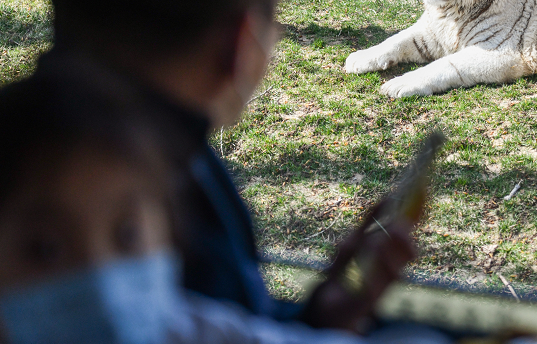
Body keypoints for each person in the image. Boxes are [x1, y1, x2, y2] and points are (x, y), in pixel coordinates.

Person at [40, 0, 417, 333]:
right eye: (272, 22)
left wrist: (320, 314)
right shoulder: (158, 194)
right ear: (241, 44)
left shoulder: (54, 136)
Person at [0, 76, 449, 344]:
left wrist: (326, 313)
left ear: (169, 235)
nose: (100, 278)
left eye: (129, 236)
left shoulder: (187, 327)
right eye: (45, 247)